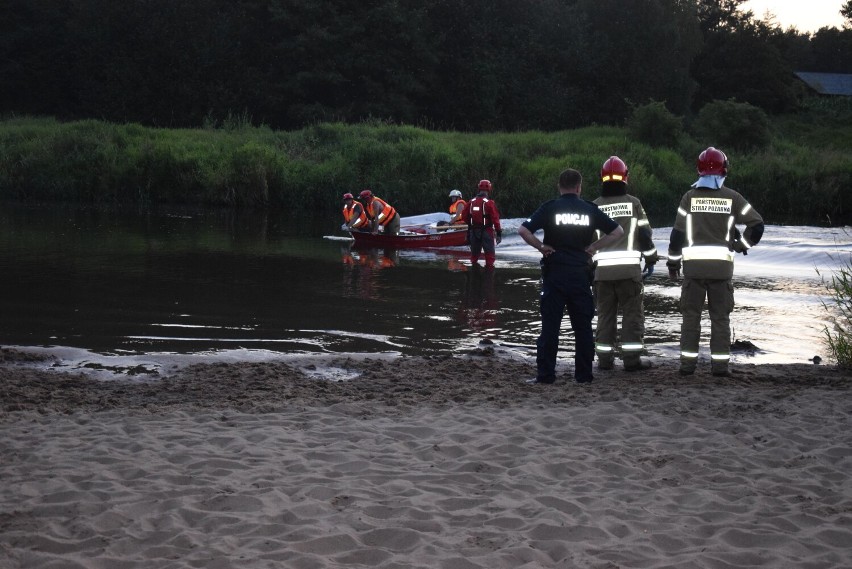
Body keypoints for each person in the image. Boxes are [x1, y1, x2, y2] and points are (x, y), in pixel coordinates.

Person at [518, 168, 624, 385]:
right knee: (583, 328)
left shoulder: (550, 208)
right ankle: (583, 376)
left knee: (550, 328)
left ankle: (546, 375)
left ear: (559, 186)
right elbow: (617, 232)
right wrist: (593, 247)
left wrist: (541, 246)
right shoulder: (589, 209)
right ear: (579, 187)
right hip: (580, 275)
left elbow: (523, 230)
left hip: (555, 274)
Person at [666, 147, 764, 377]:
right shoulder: (733, 197)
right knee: (720, 319)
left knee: (691, 318)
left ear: (699, 171)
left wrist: (673, 264)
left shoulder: (688, 198)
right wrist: (742, 246)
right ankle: (720, 368)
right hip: (721, 271)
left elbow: (677, 235)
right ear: (724, 170)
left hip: (693, 270)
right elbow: (757, 224)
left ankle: (686, 367)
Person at [591, 156, 659, 371]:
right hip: (629, 272)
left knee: (605, 316)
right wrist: (651, 259)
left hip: (602, 274)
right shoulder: (634, 203)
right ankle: (631, 361)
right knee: (632, 316)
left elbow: (588, 241)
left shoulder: (594, 206)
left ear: (602, 178)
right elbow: (645, 235)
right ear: (625, 177)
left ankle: (604, 361)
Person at [462, 179, 502, 269]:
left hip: (473, 231)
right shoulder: (489, 203)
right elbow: (495, 219)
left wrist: (471, 226)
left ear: (478, 189)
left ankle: (474, 276)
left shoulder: (470, 202)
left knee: (474, 256)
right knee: (490, 257)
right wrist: (499, 233)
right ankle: (488, 277)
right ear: (489, 189)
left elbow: (464, 216)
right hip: (487, 231)